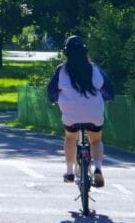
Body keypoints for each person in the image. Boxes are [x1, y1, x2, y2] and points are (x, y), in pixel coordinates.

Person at [46, 35, 114, 188]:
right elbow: (108, 89)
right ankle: (97, 168)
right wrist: (106, 98)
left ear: (66, 53)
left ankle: (69, 171)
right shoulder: (94, 69)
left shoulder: (61, 71)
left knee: (70, 137)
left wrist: (55, 100)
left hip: (71, 116)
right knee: (95, 140)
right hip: (94, 114)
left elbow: (51, 93)